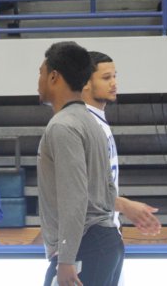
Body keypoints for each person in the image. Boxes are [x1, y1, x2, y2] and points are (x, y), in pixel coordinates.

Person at [37, 41, 122, 286]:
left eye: (41, 73)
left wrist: (66, 259)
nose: (38, 81)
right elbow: (109, 189)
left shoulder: (63, 126)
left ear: (54, 77)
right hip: (106, 240)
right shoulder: (93, 123)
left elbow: (74, 198)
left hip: (84, 245)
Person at [82, 51, 163, 239]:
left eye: (114, 76)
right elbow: (79, 190)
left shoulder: (98, 120)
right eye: (106, 78)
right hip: (88, 234)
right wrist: (125, 206)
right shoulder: (82, 125)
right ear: (85, 83)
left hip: (104, 229)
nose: (114, 83)